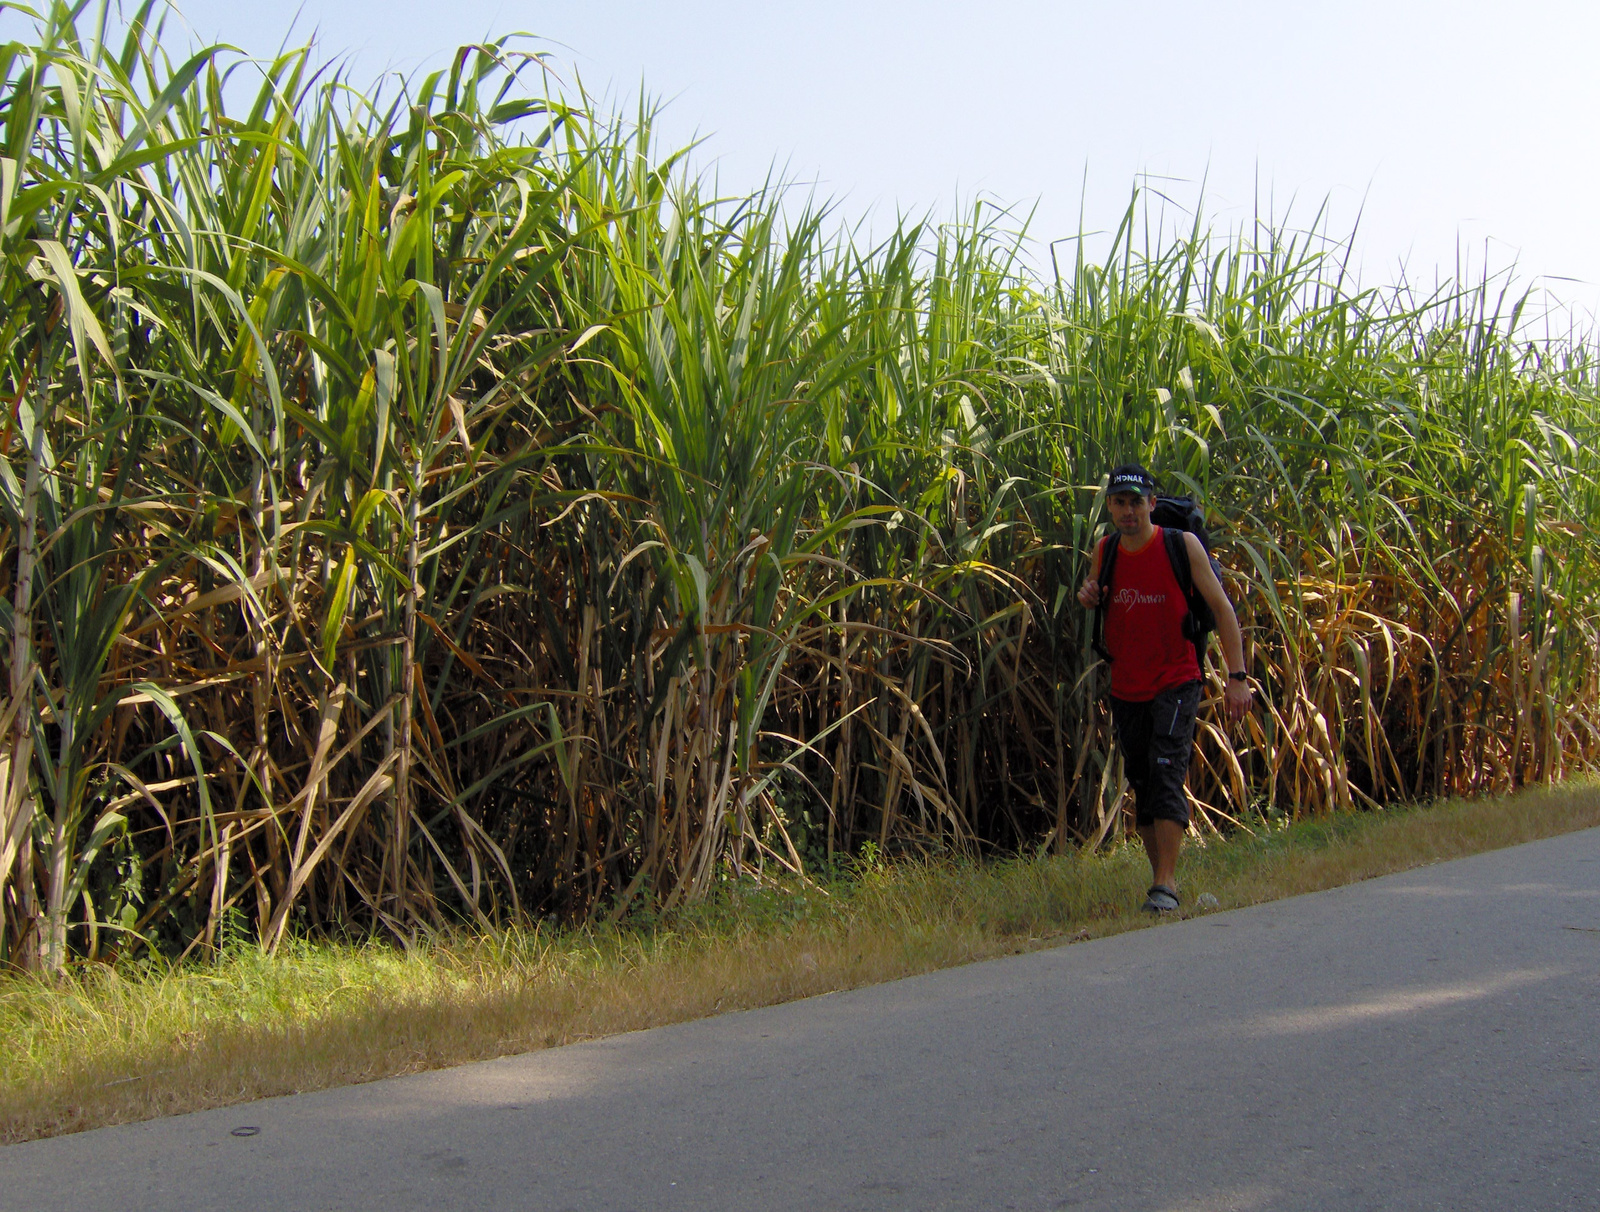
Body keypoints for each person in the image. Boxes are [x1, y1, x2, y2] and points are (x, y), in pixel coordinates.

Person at [1076, 463, 1253, 913]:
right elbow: (1095, 592)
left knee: (1166, 768)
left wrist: (1236, 678)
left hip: (1177, 677)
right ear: (1111, 507)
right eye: (1120, 502)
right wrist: (1089, 594)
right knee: (1143, 781)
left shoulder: (1181, 545)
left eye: (1136, 502)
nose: (1128, 510)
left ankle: (1166, 885)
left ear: (1152, 504)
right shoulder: (1106, 549)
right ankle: (1159, 883)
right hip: (1128, 683)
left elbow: (1222, 609)